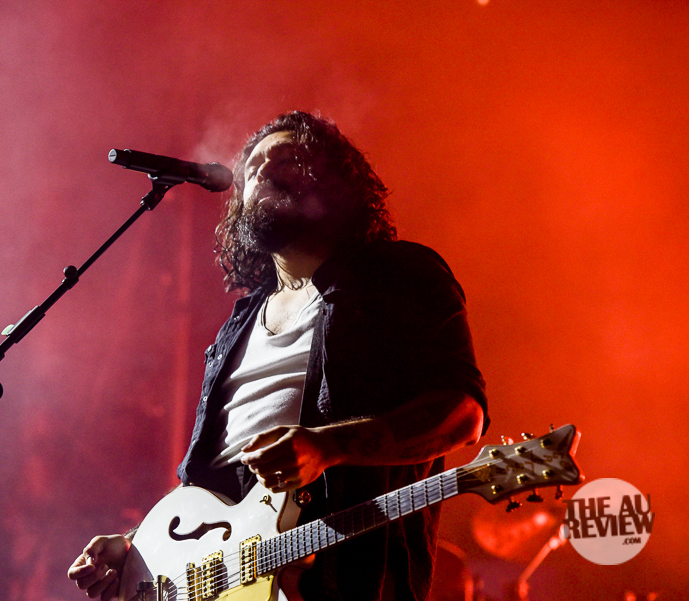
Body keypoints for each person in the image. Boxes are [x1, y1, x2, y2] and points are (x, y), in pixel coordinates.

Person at [67, 111, 489, 601]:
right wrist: (140, 549)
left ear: (336, 183)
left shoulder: (398, 275)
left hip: (344, 578)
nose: (263, 170)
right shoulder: (240, 321)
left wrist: (329, 446)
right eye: (252, 168)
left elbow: (463, 415)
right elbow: (210, 484)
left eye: (287, 159)